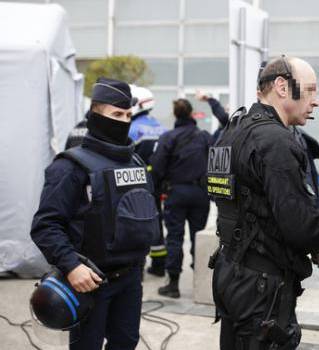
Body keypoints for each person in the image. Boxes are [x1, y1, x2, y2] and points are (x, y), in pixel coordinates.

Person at [210, 56, 319, 349]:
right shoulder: (276, 140)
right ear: (281, 86)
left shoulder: (233, 130)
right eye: (311, 90)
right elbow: (300, 221)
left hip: (232, 272)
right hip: (261, 286)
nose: (315, 101)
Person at [31, 77, 157, 350]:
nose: (123, 121)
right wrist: (71, 266)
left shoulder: (135, 160)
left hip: (130, 278)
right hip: (89, 282)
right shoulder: (70, 166)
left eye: (127, 115)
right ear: (95, 116)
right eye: (115, 114)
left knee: (125, 343)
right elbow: (45, 225)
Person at [150, 98, 213, 298]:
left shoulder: (168, 137)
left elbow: (157, 167)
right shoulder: (204, 137)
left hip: (175, 193)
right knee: (198, 237)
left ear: (175, 115)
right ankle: (201, 284)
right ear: (192, 113)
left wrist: (157, 188)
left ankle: (173, 285)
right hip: (200, 194)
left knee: (175, 237)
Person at [128, 85, 168, 277]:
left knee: (135, 221)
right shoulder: (160, 127)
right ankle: (159, 264)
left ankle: (138, 264)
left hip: (135, 181)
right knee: (156, 220)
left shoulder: (131, 128)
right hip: (157, 182)